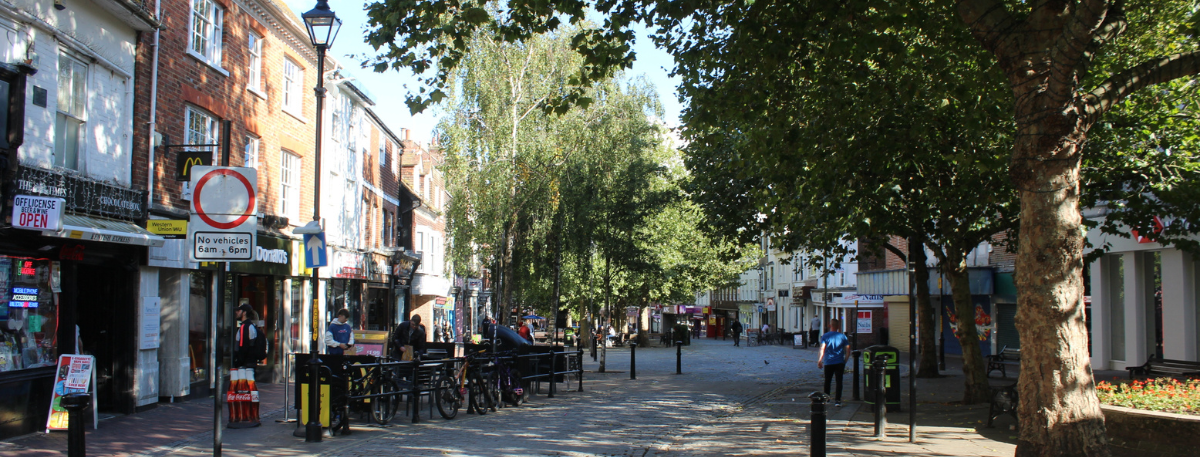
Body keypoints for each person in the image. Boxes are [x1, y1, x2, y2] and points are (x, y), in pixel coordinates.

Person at [818, 318, 852, 407]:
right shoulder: (843, 337)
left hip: (828, 362)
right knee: (839, 381)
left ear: (830, 325)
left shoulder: (825, 336)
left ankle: (827, 398)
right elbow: (848, 351)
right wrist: (845, 361)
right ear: (838, 327)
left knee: (827, 381)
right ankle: (837, 400)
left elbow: (822, 349)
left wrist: (820, 360)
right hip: (839, 362)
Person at [233, 303, 260, 368]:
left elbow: (243, 346)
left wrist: (239, 361)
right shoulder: (249, 326)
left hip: (246, 364)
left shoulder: (245, 327)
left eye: (239, 311)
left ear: (244, 313)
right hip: (249, 362)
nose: (237, 312)